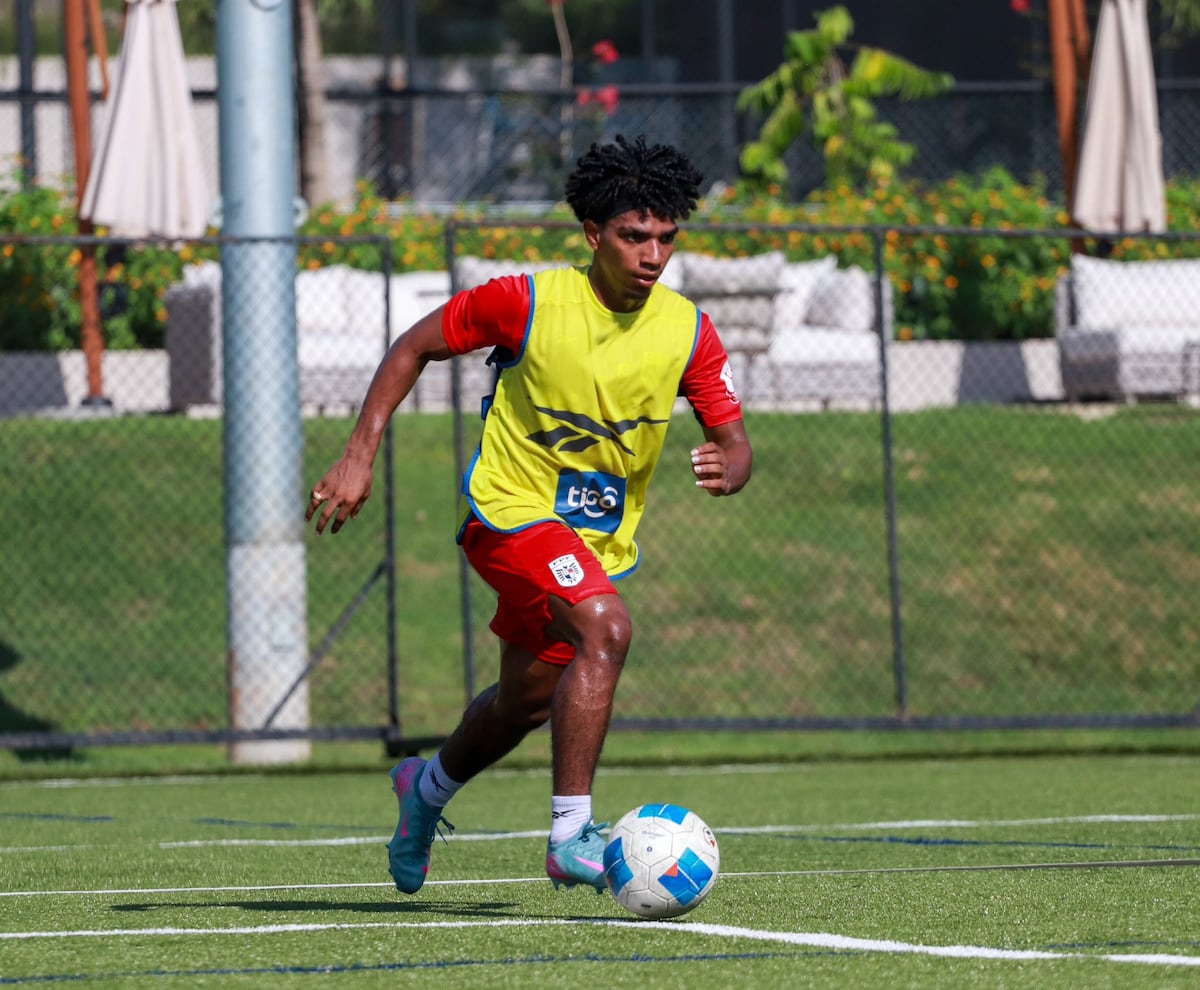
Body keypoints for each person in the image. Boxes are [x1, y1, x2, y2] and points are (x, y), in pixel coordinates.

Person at [307, 134, 753, 896]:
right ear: (593, 235)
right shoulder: (528, 301)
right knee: (607, 628)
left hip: (591, 544)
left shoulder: (688, 330)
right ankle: (570, 835)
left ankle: (426, 790)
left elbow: (734, 439)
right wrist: (358, 454)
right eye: (632, 236)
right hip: (507, 515)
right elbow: (413, 345)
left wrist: (729, 468)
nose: (652, 254)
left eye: (666, 238)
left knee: (523, 705)